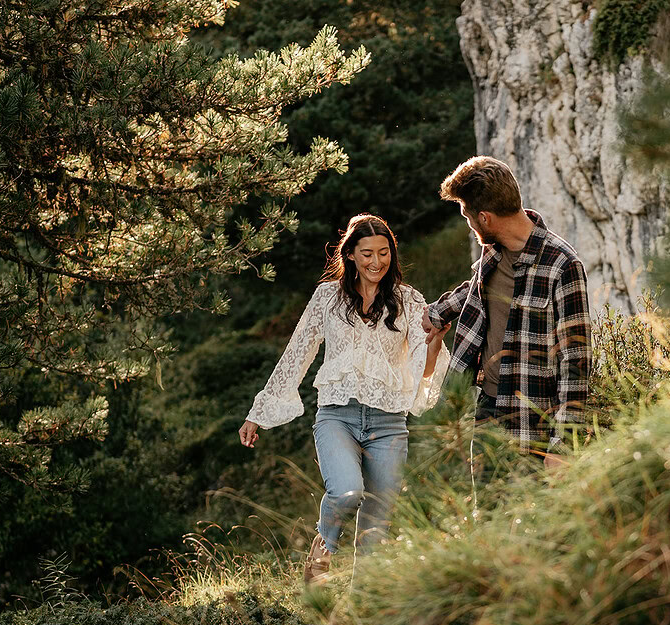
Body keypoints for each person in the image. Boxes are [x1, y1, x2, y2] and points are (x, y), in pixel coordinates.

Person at [238, 214, 450, 586]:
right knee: (347, 491)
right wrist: (260, 413)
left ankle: (362, 603)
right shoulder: (327, 298)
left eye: (384, 253)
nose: (376, 262)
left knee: (377, 521)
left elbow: (424, 369)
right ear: (350, 254)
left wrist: (434, 341)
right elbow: (297, 353)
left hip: (389, 424)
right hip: (338, 416)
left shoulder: (409, 301)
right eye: (367, 253)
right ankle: (322, 554)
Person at [421, 156, 591, 467]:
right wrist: (435, 313)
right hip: (488, 408)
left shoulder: (563, 265)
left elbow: (576, 363)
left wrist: (564, 444)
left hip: (536, 420)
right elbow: (475, 290)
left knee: (536, 514)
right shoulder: (494, 252)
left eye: (467, 216)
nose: (469, 224)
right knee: (484, 512)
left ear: (484, 217)